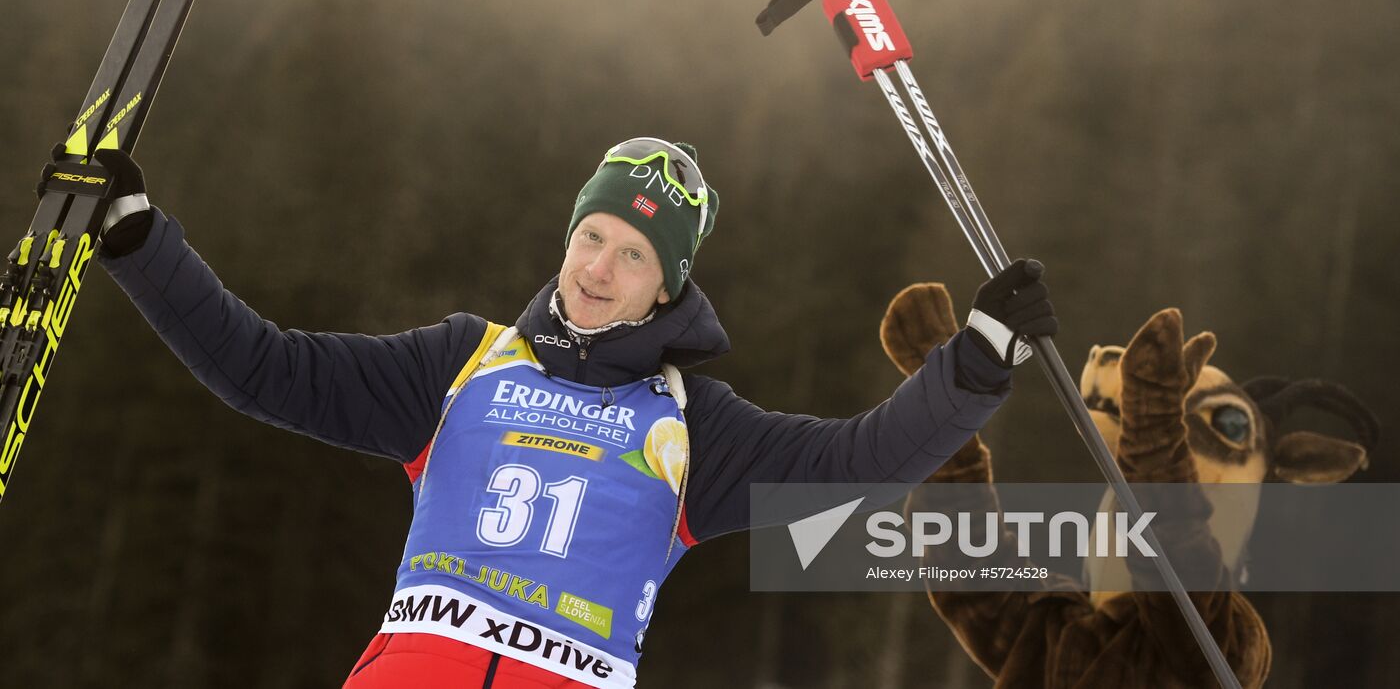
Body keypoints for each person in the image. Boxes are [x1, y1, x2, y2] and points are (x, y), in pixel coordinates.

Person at [89, 137, 1057, 689]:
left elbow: (853, 464)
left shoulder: (691, 426)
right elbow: (265, 369)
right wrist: (140, 240)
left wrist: (974, 362)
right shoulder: (461, 363)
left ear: (666, 287)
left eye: (633, 255)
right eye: (591, 236)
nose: (598, 268)